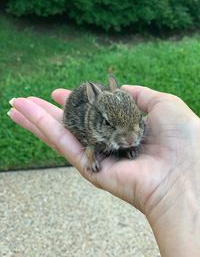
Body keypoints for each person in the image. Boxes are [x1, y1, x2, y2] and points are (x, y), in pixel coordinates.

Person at [8, 85, 200, 257]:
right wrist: (91, 157)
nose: (133, 137)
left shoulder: (132, 127)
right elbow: (89, 146)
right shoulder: (90, 126)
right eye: (109, 124)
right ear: (100, 120)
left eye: (138, 124)